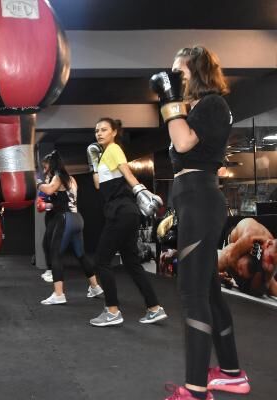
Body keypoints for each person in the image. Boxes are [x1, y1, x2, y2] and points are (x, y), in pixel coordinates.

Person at [150, 45, 250, 399]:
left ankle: (194, 391)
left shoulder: (212, 104)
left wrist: (169, 99)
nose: (175, 76)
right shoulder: (200, 109)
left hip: (199, 199)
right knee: (208, 291)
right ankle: (231, 373)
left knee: (192, 294)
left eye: (179, 71)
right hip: (194, 200)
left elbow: (182, 142)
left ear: (198, 70)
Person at [86, 118, 167, 327]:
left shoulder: (114, 149)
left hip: (121, 212)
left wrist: (143, 192)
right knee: (132, 263)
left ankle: (112, 311)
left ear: (114, 132)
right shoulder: (103, 155)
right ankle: (154, 308)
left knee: (101, 261)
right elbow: (98, 185)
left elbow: (127, 173)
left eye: (104, 129)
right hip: (125, 212)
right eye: (96, 130)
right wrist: (94, 163)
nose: (99, 133)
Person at [36, 151, 104, 305]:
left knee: (55, 255)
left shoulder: (58, 176)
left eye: (46, 167)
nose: (45, 171)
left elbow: (49, 190)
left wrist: (37, 182)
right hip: (77, 219)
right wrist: (47, 205)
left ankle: (58, 294)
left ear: (52, 165)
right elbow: (63, 200)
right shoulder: (71, 179)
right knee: (80, 254)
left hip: (65, 219)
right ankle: (95, 287)